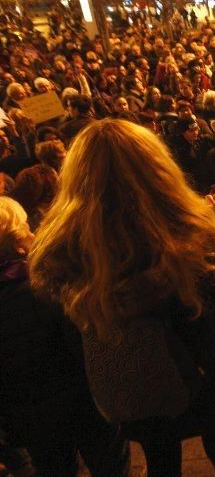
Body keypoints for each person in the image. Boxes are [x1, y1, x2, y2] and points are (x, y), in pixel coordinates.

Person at [28, 119, 215, 476]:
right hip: (203, 374)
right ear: (156, 165)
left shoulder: (60, 245)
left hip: (131, 387)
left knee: (160, 458)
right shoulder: (186, 229)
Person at [0, 196, 130, 477]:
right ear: (17, 242)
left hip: (32, 420)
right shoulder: (43, 286)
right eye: (25, 227)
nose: (33, 232)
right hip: (84, 406)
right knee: (111, 467)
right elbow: (81, 345)